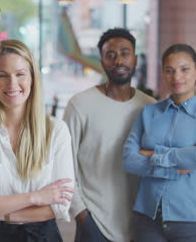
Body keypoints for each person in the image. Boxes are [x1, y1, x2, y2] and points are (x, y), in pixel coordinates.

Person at [0, 39, 75, 241]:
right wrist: (34, 198)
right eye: (2, 75)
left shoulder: (56, 130)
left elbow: (59, 205)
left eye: (20, 74)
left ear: (32, 79)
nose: (12, 84)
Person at [123, 43, 196, 242]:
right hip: (147, 218)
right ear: (163, 74)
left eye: (184, 69)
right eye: (169, 71)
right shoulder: (148, 113)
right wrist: (176, 167)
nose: (177, 77)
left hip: (194, 219)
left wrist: (152, 153)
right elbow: (128, 159)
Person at [63, 28, 156, 242]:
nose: (118, 60)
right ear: (102, 61)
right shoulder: (80, 105)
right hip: (94, 222)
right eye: (110, 55)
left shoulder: (149, 107)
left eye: (125, 53)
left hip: (140, 223)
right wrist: (81, 214)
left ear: (134, 58)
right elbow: (63, 165)